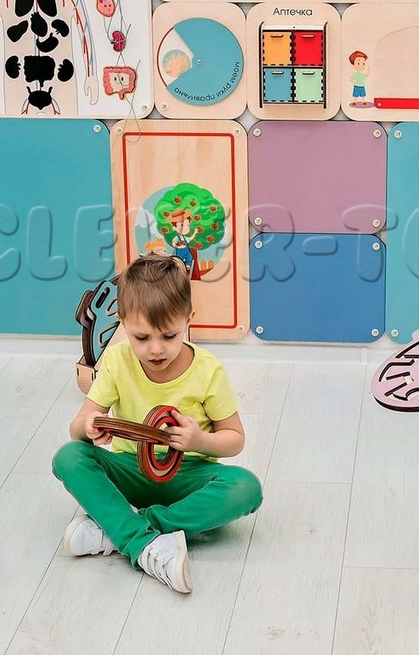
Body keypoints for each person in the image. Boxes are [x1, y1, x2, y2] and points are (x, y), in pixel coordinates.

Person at [51, 254, 263, 593]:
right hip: (131, 470)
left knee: (246, 488)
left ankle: (125, 529)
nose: (155, 349)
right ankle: (142, 538)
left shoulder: (208, 370)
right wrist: (90, 426)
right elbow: (77, 428)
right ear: (122, 322)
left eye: (168, 335)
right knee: (69, 457)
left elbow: (235, 438)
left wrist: (199, 441)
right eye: (141, 337)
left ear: (188, 319)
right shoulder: (117, 360)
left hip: (188, 476)